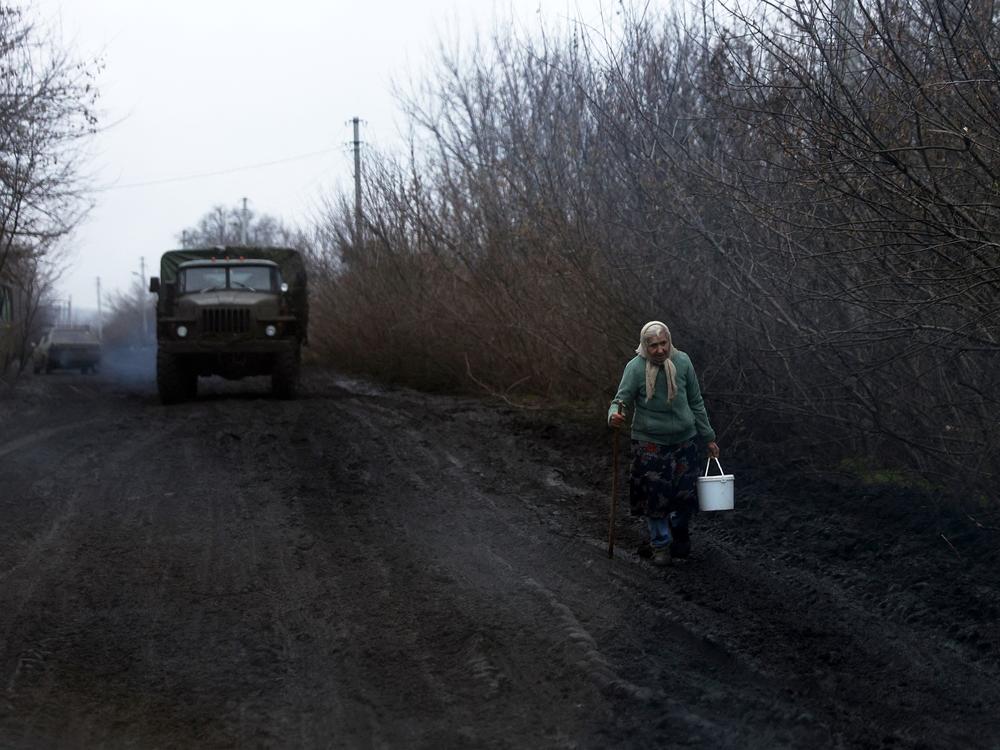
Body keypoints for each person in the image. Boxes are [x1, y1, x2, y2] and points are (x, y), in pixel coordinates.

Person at [608, 321, 720, 567]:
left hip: (685, 440)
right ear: (645, 346)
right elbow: (621, 400)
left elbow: (696, 401)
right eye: (653, 345)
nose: (659, 350)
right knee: (654, 497)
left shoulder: (683, 362)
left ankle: (679, 531)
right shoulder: (635, 368)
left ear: (669, 341)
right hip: (650, 443)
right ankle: (660, 545)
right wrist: (615, 414)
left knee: (685, 495)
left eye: (663, 343)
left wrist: (708, 437)